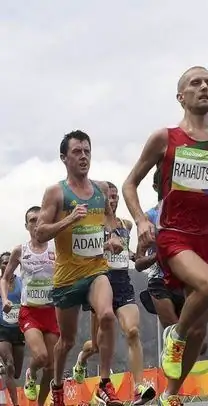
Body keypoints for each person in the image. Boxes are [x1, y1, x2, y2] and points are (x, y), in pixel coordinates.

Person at [122, 66, 208, 406]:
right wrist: (141, 221)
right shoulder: (164, 138)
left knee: (199, 332)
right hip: (175, 236)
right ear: (181, 96)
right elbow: (129, 183)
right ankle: (173, 335)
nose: (204, 87)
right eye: (196, 83)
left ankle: (170, 394)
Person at [35, 130, 124, 406]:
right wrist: (69, 219)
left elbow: (110, 223)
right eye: (77, 152)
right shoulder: (56, 192)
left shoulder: (100, 189)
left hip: (96, 270)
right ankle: (58, 386)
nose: (83, 156)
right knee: (67, 341)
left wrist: (113, 239)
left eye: (87, 151)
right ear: (64, 158)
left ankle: (105, 383)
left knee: (107, 315)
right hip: (66, 278)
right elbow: (40, 232)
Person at [73, 182, 156, 405]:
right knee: (98, 345)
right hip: (99, 282)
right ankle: (82, 359)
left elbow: (126, 250)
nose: (114, 199)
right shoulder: (91, 224)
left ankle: (139, 386)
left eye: (116, 196)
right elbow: (81, 253)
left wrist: (134, 255)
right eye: (109, 196)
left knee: (133, 331)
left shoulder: (125, 225)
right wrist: (106, 246)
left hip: (122, 282)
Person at [134, 169, 208, 355]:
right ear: (156, 187)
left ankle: (181, 377)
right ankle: (173, 383)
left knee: (199, 342)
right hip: (159, 282)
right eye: (165, 183)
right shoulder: (149, 217)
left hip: (184, 281)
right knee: (174, 338)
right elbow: (138, 263)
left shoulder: (187, 214)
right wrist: (158, 256)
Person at [1, 206, 58, 406]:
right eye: (32, 220)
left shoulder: (55, 247)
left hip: (52, 312)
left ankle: (41, 403)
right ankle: (31, 372)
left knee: (50, 366)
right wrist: (6, 298)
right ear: (26, 226)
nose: (36, 224)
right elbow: (5, 277)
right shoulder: (20, 251)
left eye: (39, 219)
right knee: (41, 357)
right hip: (30, 313)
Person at [0, 252, 24, 406]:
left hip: (19, 329)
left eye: (9, 262)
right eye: (3, 262)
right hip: (2, 329)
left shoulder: (22, 282)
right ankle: (15, 404)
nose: (6, 264)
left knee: (16, 372)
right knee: (9, 364)